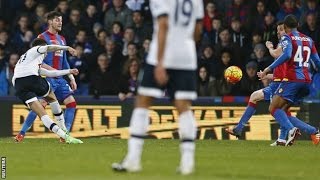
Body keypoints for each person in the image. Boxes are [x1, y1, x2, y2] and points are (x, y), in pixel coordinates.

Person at [112, 0, 204, 175]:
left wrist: (161, 62)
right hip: (186, 56)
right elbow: (198, 29)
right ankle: (187, 162)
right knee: (184, 107)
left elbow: (163, 24)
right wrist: (184, 44)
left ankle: (133, 158)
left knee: (142, 102)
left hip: (161, 55)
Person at [226, 21, 320, 146]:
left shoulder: (286, 43)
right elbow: (281, 72)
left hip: (282, 84)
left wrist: (269, 48)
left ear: (286, 30)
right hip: (286, 82)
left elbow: (277, 55)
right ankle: (285, 138)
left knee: (273, 108)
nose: (278, 32)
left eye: (281, 30)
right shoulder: (288, 43)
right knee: (283, 112)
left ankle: (303, 130)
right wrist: (267, 75)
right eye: (277, 30)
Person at [15, 11, 78, 143]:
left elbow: (64, 61)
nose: (60, 22)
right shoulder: (42, 37)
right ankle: (22, 132)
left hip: (59, 77)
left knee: (71, 103)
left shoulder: (62, 39)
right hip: (47, 75)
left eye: (61, 20)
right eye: (57, 20)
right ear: (50, 22)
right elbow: (38, 61)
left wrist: (71, 77)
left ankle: (65, 133)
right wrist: (52, 69)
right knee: (41, 105)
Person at [261, 15, 320, 146]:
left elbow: (286, 55)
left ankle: (292, 129)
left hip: (292, 80)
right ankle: (306, 133)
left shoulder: (287, 37)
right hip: (307, 81)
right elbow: (317, 62)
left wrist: (268, 68)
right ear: (298, 24)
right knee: (282, 111)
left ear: (286, 27)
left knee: (273, 108)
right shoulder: (309, 40)